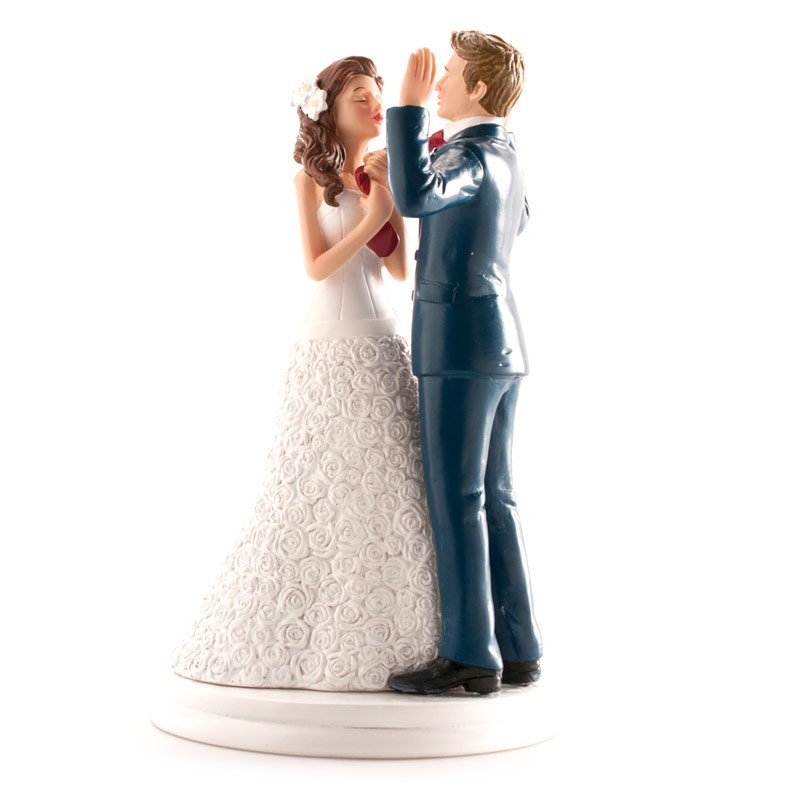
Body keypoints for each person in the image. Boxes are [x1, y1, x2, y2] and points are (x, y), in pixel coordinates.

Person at [169, 56, 440, 691]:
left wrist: (394, 205)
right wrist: (370, 217)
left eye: (377, 96)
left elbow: (399, 271)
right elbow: (316, 267)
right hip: (330, 342)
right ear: (330, 111)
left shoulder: (382, 172)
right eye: (360, 98)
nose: (375, 108)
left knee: (391, 482)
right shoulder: (309, 180)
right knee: (320, 480)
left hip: (381, 339)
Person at [380, 32, 544, 695]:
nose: (440, 82)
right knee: (495, 496)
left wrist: (408, 111)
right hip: (500, 343)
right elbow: (519, 219)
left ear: (477, 87)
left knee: (458, 498)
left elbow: (417, 199)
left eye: (448, 74)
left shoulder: (469, 155)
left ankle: (471, 653)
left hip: (458, 344)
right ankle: (520, 645)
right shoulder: (505, 154)